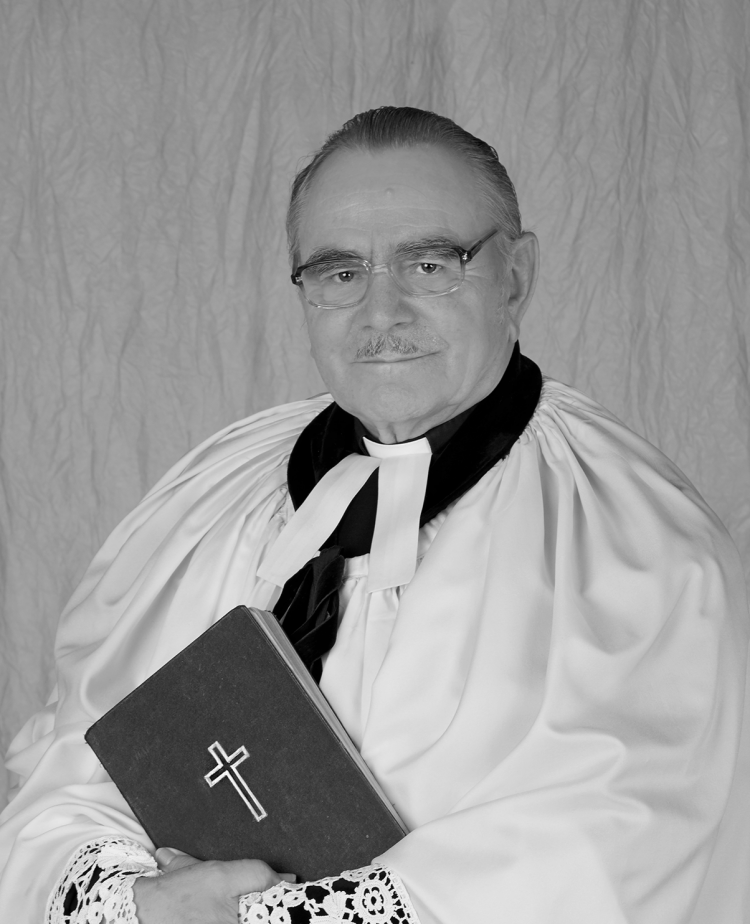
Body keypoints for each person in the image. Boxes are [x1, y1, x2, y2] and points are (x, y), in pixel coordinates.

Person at [0, 106, 748, 924]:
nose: (381, 313)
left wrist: (266, 919)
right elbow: (67, 772)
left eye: (429, 264)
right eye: (340, 273)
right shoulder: (207, 500)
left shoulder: (633, 544)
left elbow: (616, 854)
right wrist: (138, 903)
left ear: (515, 276)